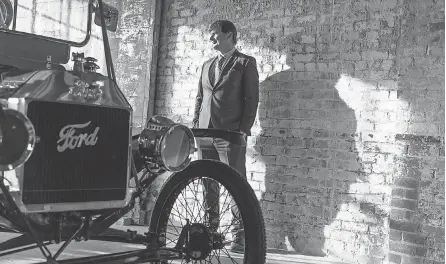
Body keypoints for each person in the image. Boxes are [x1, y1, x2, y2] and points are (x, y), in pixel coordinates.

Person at [192, 20, 259, 253]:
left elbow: (252, 100)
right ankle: (210, 234)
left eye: (215, 35)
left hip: (229, 134)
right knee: (207, 184)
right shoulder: (206, 64)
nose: (211, 39)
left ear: (229, 35)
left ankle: (239, 237)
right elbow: (200, 99)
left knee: (235, 185)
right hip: (205, 133)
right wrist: (195, 128)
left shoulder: (245, 63)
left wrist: (243, 129)